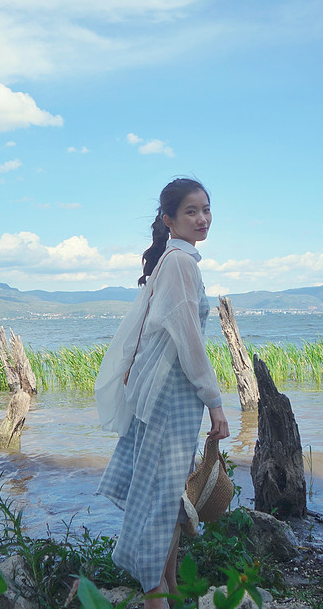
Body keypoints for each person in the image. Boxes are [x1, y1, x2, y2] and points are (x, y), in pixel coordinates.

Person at [95, 177, 230, 609]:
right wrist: (217, 404)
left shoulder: (178, 261)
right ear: (169, 219)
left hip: (169, 395)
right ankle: (155, 593)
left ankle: (168, 581)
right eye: (191, 211)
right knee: (160, 495)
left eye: (206, 209)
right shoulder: (179, 263)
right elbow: (189, 340)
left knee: (167, 491)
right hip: (171, 397)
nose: (202, 218)